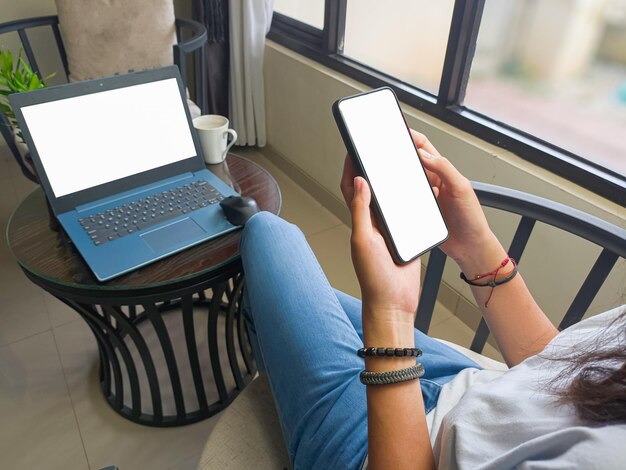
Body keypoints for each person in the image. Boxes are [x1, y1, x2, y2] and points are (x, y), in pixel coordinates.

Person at [239, 131, 626, 469]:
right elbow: (557, 374)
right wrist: (476, 248)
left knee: (265, 231)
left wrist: (390, 314)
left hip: (387, 452)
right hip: (470, 388)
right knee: (304, 299)